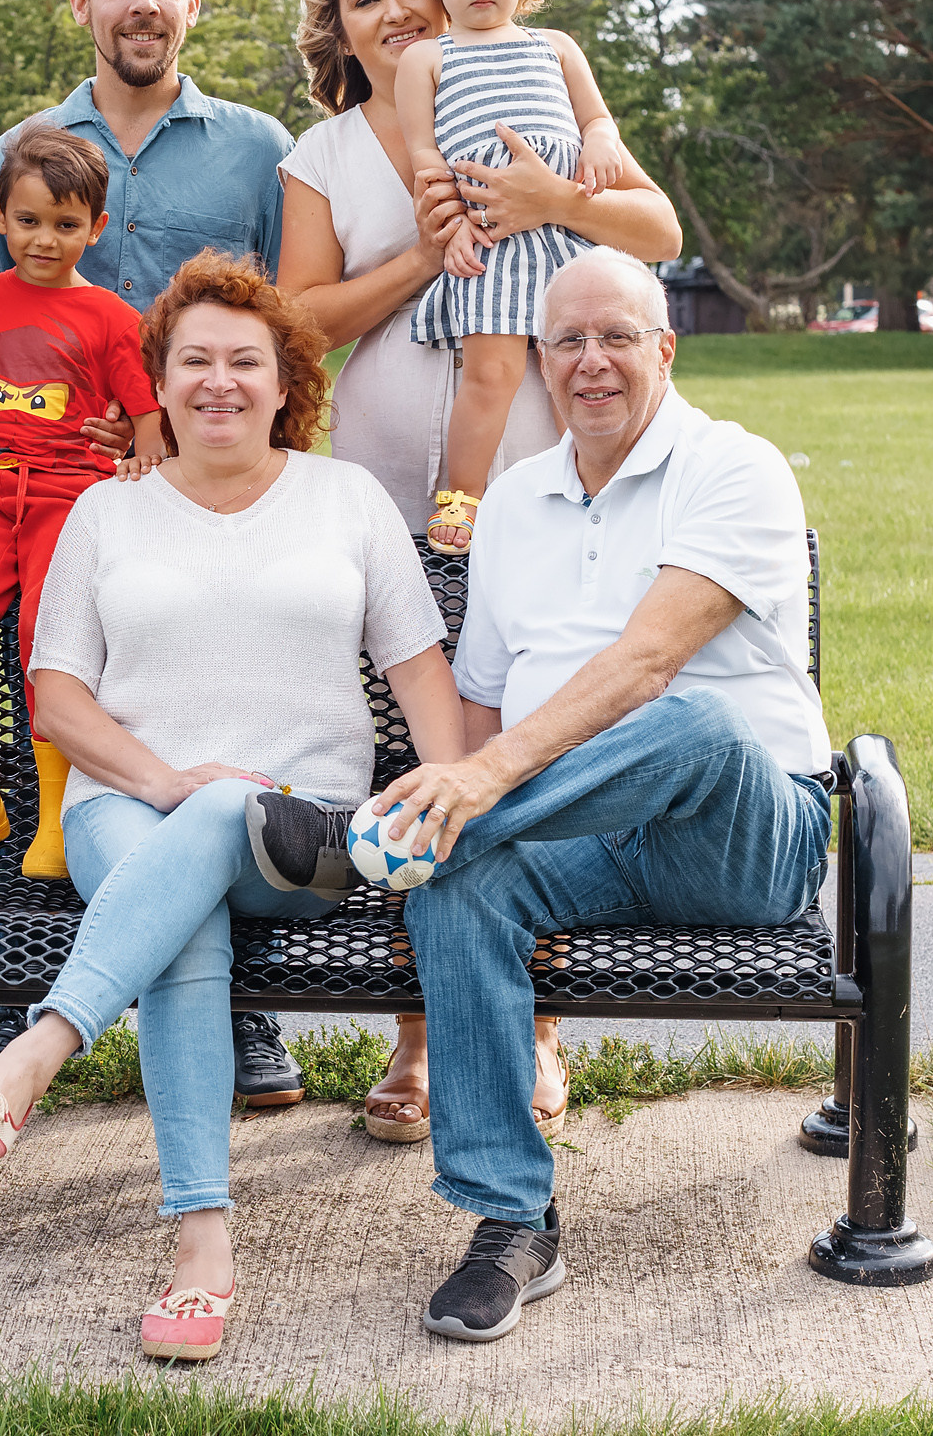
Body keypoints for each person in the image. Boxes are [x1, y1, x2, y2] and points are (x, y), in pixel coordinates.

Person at [246, 247, 832, 1345]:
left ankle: (368, 847)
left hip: (737, 836)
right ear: (538, 361)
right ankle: (510, 1219)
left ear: (664, 349)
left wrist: (468, 789)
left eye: (616, 337)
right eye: (565, 340)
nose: (590, 362)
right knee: (456, 886)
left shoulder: (733, 468)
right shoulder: (517, 498)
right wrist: (457, 821)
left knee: (695, 722)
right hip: (581, 836)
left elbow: (648, 666)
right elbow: (476, 704)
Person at [0, 253, 467, 1364]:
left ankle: (35, 1056)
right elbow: (58, 698)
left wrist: (448, 795)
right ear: (158, 384)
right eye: (194, 362)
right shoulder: (105, 514)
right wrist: (170, 781)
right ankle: (201, 1242)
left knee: (225, 819)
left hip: (305, 837)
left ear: (285, 384)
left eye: (244, 363)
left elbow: (418, 672)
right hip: (128, 810)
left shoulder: (345, 499)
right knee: (186, 886)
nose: (219, 383)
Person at [280, 0, 678, 1145]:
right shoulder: (330, 154)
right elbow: (297, 329)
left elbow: (657, 235)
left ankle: (533, 1030)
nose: (398, 11)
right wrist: (425, 248)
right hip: (391, 499)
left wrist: (548, 194)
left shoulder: (530, 97)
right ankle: (417, 1034)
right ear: (338, 30)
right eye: (368, 0)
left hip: (541, 490)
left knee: (528, 747)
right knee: (411, 748)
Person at [0, 0, 306, 1105]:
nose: (141, 5)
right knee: (40, 718)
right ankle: (22, 985)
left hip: (208, 490)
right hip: (58, 501)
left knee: (216, 713)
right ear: (83, 4)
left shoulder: (256, 148)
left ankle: (246, 1013)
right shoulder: (23, 147)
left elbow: (285, 327)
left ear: (191, 2)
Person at [392, 0, 674, 555]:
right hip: (488, 241)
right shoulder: (429, 59)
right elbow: (424, 158)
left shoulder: (555, 48)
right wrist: (450, 226)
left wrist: (604, 139)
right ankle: (461, 495)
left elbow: (595, 119)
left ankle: (590, 486)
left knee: (579, 373)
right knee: (490, 375)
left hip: (566, 248)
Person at [0, 125, 163, 880]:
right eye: (27, 221)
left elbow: (151, 429)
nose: (44, 240)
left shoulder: (112, 318)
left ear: (95, 228)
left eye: (65, 225)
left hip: (70, 493)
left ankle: (58, 818)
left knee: (41, 631)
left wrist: (133, 455)